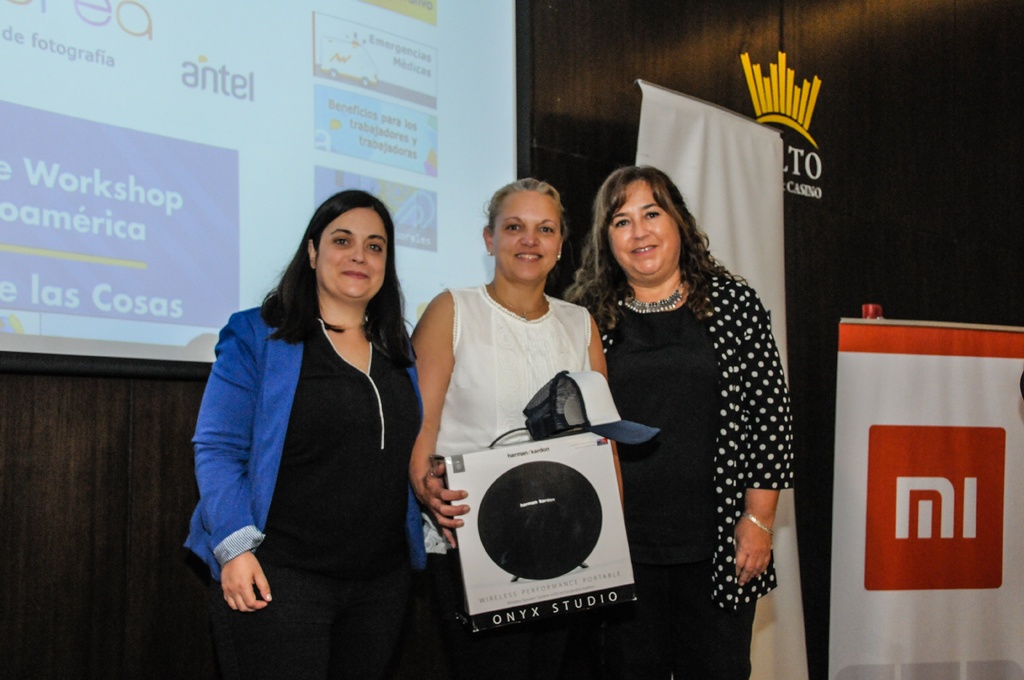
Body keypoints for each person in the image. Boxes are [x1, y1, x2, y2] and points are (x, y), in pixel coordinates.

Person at [185, 190, 427, 680]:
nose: (359, 255)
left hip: (381, 584)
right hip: (280, 577)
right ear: (313, 252)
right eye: (342, 240)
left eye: (375, 246)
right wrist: (234, 548)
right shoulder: (257, 335)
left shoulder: (398, 347)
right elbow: (218, 448)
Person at [566, 166, 794, 680]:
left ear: (679, 222)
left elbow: (770, 419)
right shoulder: (584, 315)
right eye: (621, 221)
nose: (639, 232)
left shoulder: (734, 304)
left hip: (719, 546)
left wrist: (759, 522)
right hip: (618, 548)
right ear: (607, 240)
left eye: (651, 214)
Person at [410, 178, 610, 680]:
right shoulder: (451, 310)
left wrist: (608, 539)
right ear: (489, 238)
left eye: (545, 229)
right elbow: (420, 423)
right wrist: (424, 486)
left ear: (560, 244)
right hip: (472, 540)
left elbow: (602, 439)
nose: (530, 240)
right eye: (514, 227)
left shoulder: (581, 323)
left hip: (563, 541)